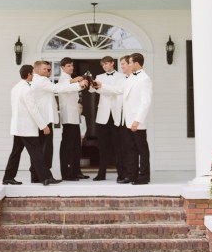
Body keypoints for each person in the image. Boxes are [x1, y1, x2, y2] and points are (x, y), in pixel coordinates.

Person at [96, 53, 152, 185]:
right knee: (130, 149)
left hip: (137, 121)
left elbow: (145, 102)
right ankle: (132, 175)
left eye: (130, 62)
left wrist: (137, 120)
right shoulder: (131, 77)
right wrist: (101, 85)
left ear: (136, 63)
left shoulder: (144, 79)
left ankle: (144, 176)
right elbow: (118, 89)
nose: (128, 65)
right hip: (127, 120)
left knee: (142, 149)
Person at [3, 64, 61, 186]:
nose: (34, 76)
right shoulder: (27, 90)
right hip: (27, 128)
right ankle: (46, 178)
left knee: (15, 153)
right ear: (29, 74)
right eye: (33, 73)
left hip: (17, 127)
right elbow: (33, 110)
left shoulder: (15, 88)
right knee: (37, 153)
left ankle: (8, 177)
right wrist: (43, 126)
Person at [30, 60, 87, 181]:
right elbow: (57, 88)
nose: (48, 71)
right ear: (37, 70)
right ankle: (44, 176)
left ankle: (37, 175)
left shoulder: (38, 80)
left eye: (49, 69)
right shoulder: (42, 80)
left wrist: (74, 81)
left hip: (43, 119)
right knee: (45, 149)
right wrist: (78, 85)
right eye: (45, 69)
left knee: (41, 149)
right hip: (44, 120)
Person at [90, 55, 125, 181]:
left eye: (106, 63)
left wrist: (102, 88)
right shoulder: (99, 77)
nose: (104, 66)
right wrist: (94, 86)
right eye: (103, 64)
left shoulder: (121, 76)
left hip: (116, 115)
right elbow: (91, 90)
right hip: (102, 116)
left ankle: (121, 174)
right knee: (102, 146)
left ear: (112, 63)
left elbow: (119, 91)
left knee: (118, 146)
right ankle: (101, 174)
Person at [58, 57, 89, 181]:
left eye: (72, 65)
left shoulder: (70, 79)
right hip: (68, 118)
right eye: (68, 66)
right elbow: (65, 87)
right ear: (62, 67)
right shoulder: (63, 79)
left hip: (75, 117)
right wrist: (77, 82)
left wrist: (79, 83)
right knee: (68, 146)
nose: (71, 68)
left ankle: (76, 171)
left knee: (76, 146)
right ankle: (66, 174)